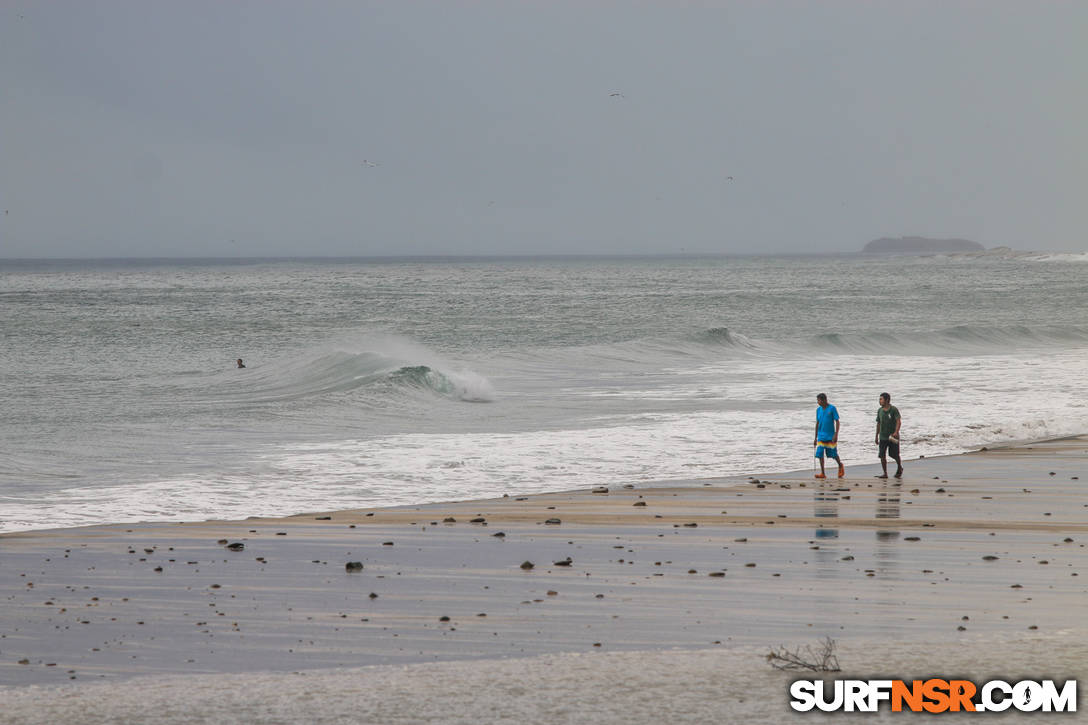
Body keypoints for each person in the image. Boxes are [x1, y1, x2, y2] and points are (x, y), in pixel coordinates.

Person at [813, 392, 845, 479]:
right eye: (817, 400)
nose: (818, 402)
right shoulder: (818, 410)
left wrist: (836, 434)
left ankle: (840, 465)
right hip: (821, 436)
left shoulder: (832, 408)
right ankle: (823, 473)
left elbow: (837, 421)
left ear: (824, 400)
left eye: (819, 400)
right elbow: (817, 423)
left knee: (833, 454)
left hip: (830, 436)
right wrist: (815, 437)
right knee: (819, 454)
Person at [875, 392, 903, 479]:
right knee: (882, 455)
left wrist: (896, 432)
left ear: (887, 400)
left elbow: (898, 421)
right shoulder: (880, 411)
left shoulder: (894, 409)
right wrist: (876, 435)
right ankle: (885, 473)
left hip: (893, 436)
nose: (879, 401)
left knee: (894, 454)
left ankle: (899, 467)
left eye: (881, 399)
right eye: (879, 399)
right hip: (883, 436)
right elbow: (878, 423)